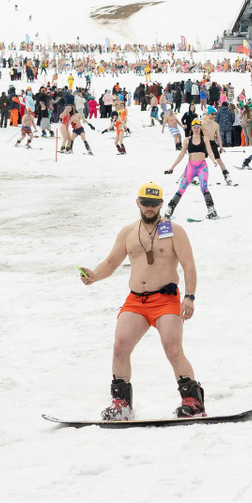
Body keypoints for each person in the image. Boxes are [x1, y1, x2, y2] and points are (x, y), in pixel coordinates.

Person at [79, 181, 205, 420]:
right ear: (137, 202)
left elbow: (189, 265)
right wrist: (94, 276)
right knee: (120, 348)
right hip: (136, 301)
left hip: (166, 299)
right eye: (146, 203)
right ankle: (121, 405)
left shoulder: (174, 230)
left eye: (154, 204)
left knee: (173, 349)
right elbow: (110, 263)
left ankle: (193, 401)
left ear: (161, 204)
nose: (150, 208)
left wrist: (189, 297)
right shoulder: (128, 232)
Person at [163, 119, 221, 219]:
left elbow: (210, 151)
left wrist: (213, 160)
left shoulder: (205, 139)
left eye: (198, 128)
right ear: (192, 129)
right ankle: (169, 210)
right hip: (191, 167)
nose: (196, 129)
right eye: (194, 128)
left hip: (202, 167)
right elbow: (181, 154)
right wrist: (172, 167)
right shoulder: (187, 140)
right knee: (181, 188)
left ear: (200, 128)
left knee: (204, 188)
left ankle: (212, 210)